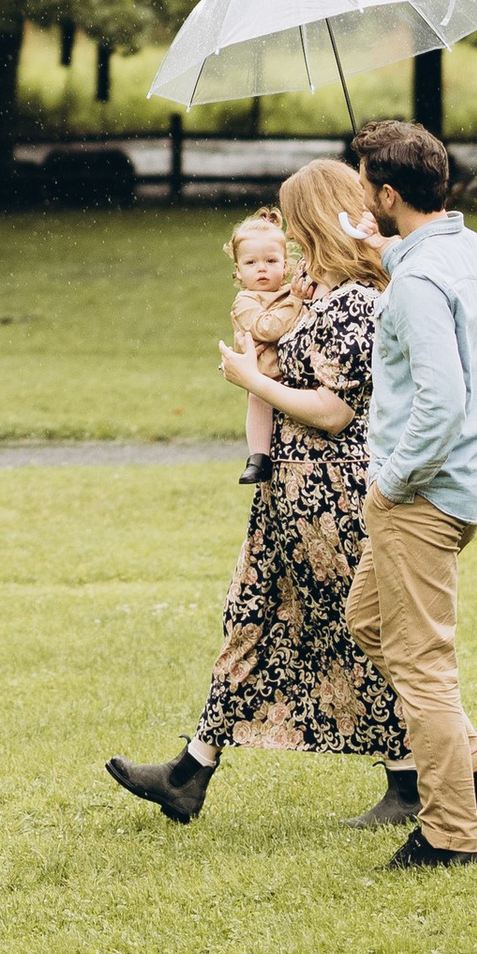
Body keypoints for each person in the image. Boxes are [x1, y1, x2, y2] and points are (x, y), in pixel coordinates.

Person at [106, 160, 417, 824]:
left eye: (297, 222)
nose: (294, 240)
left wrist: (250, 379)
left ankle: (427, 776)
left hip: (332, 498)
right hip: (286, 491)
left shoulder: (361, 301)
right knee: (247, 619)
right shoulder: (319, 294)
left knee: (358, 633)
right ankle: (191, 771)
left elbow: (335, 412)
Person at [343, 115, 477, 870]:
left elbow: (439, 404)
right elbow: (430, 305)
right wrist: (389, 256)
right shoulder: (465, 248)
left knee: (421, 669)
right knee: (367, 622)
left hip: (422, 497)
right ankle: (474, 772)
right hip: (465, 486)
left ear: (387, 192)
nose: (359, 197)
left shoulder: (417, 279)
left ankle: (450, 834)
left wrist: (390, 482)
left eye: (364, 187)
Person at [225, 209, 301, 483]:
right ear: (238, 270)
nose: (261, 268)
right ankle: (258, 458)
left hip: (293, 375)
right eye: (251, 262)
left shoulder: (292, 290)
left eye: (271, 260)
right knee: (258, 400)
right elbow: (266, 328)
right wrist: (297, 302)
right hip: (264, 373)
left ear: (285, 265)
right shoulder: (245, 300)